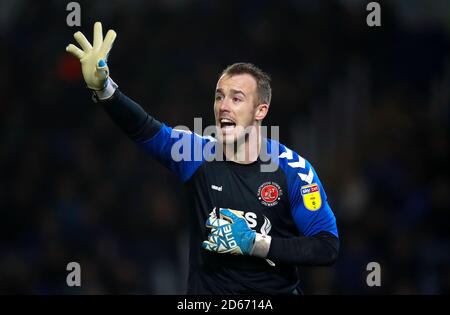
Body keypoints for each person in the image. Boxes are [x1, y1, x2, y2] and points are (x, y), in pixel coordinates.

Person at [66, 22, 339, 295]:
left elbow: (326, 246)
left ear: (260, 110)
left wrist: (256, 244)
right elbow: (145, 128)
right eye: (219, 96)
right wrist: (105, 90)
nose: (223, 106)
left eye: (236, 98)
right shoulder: (197, 154)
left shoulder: (294, 170)